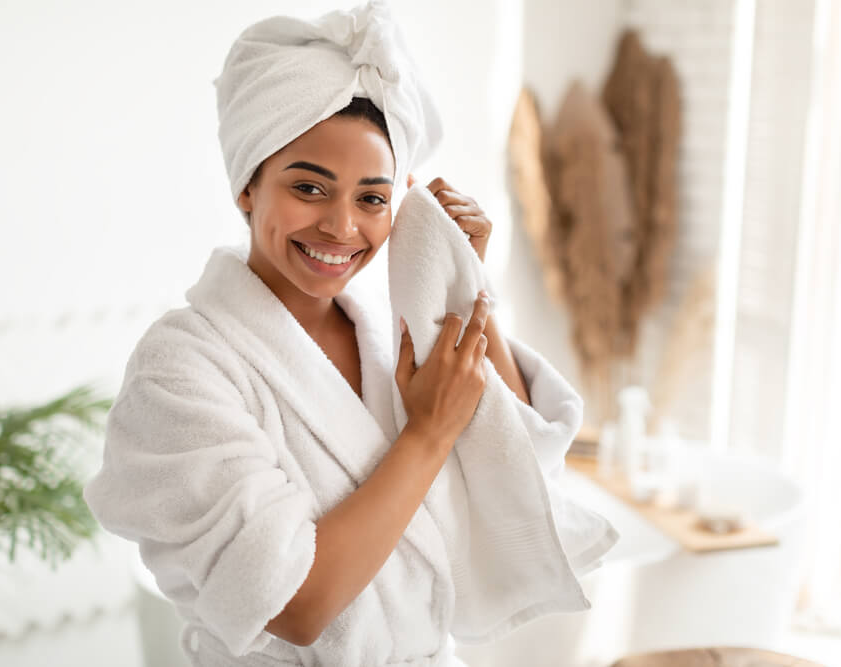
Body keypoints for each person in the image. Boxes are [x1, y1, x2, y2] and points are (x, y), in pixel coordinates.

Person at [84, 2, 610, 664]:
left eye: (371, 198)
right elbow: (293, 603)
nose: (341, 227)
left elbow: (519, 470)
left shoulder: (391, 332)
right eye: (310, 187)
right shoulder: (181, 369)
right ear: (248, 186)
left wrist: (464, 282)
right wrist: (426, 434)